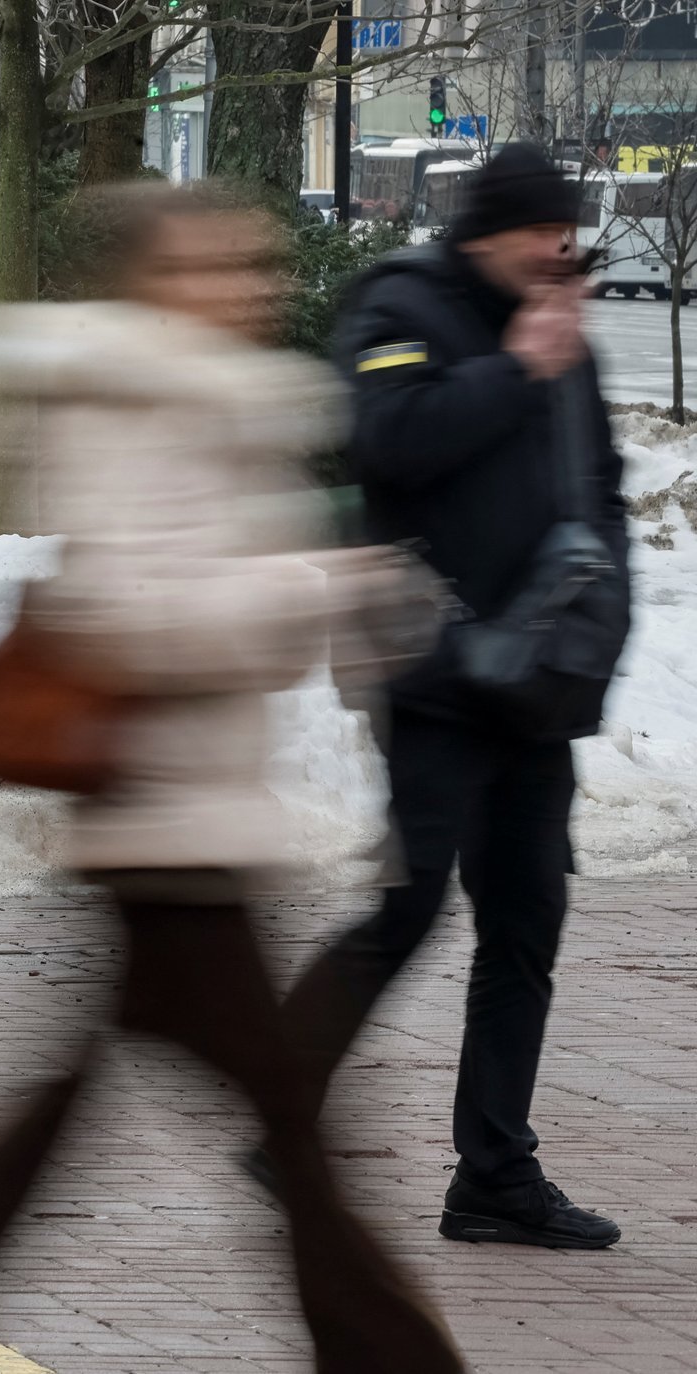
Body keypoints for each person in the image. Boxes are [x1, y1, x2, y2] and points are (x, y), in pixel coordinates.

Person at [0, 181, 464, 1374]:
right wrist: (319, 591)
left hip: (180, 816)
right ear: (146, 282)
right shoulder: (132, 408)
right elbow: (134, 616)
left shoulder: (209, 405)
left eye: (251, 265)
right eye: (207, 267)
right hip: (159, 817)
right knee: (288, 1131)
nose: (243, 287)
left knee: (87, 1112)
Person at [268, 142, 631, 1248]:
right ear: (494, 230)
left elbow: (597, 486)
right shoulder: (402, 302)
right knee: (410, 903)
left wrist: (599, 619)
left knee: (525, 917)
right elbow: (384, 443)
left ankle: (493, 1176)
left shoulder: (554, 318)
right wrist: (512, 367)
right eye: (546, 233)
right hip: (427, 669)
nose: (561, 252)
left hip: (532, 683)